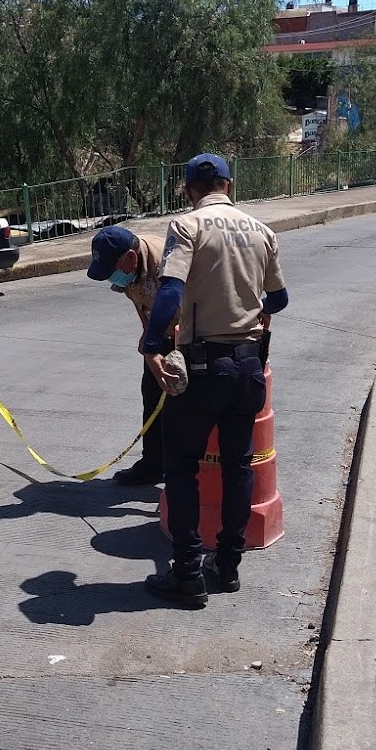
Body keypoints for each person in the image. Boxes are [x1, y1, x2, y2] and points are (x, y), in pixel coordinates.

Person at [138, 153, 288, 607]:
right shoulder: (262, 232)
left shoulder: (187, 227)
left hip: (203, 367)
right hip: (248, 367)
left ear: (189, 190)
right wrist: (251, 308)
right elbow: (279, 299)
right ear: (230, 185)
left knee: (181, 466)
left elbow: (170, 290)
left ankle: (187, 571)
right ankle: (227, 564)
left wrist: (151, 345)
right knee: (238, 464)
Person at [86, 225, 176, 487]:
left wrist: (170, 352)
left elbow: (189, 309)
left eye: (112, 271)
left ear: (130, 257)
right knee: (151, 395)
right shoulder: (128, 270)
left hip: (190, 332)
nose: (112, 279)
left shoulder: (166, 263)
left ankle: (181, 472)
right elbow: (139, 300)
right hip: (160, 335)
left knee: (180, 406)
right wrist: (149, 335)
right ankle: (152, 465)